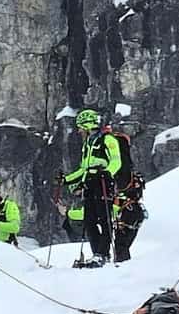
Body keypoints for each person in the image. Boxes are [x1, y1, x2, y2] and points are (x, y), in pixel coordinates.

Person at [63, 109, 122, 267]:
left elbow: (116, 161)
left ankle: (103, 254)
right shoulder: (88, 143)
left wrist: (107, 174)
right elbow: (84, 168)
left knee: (104, 220)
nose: (79, 130)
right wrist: (66, 180)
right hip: (90, 182)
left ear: (88, 125)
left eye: (81, 127)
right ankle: (96, 253)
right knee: (89, 221)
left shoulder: (108, 139)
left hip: (103, 182)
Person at [113, 173, 147, 263]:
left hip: (130, 211)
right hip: (132, 212)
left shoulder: (125, 179)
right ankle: (122, 261)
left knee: (121, 242)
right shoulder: (130, 177)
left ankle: (122, 263)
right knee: (122, 243)